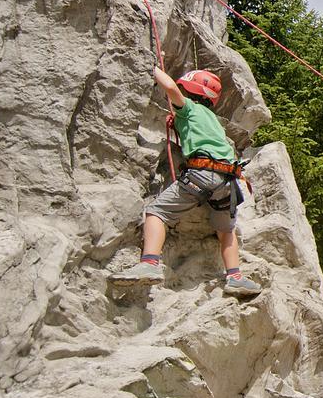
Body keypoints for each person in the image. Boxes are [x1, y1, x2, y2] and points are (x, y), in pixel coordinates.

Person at [109, 65, 261, 296]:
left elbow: (170, 87)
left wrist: (150, 66)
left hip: (202, 175)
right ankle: (235, 277)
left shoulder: (188, 108)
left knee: (156, 213)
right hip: (229, 183)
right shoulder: (212, 120)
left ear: (190, 91)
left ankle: (149, 264)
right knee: (226, 231)